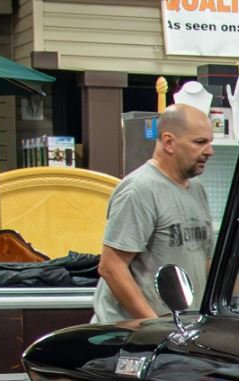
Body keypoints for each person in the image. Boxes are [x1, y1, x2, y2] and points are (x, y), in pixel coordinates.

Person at [91, 104, 217, 324]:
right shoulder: (140, 189)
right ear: (169, 142)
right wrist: (155, 325)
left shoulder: (197, 189)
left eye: (210, 142)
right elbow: (111, 267)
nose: (209, 151)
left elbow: (205, 260)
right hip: (135, 335)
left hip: (182, 329)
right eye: (200, 142)